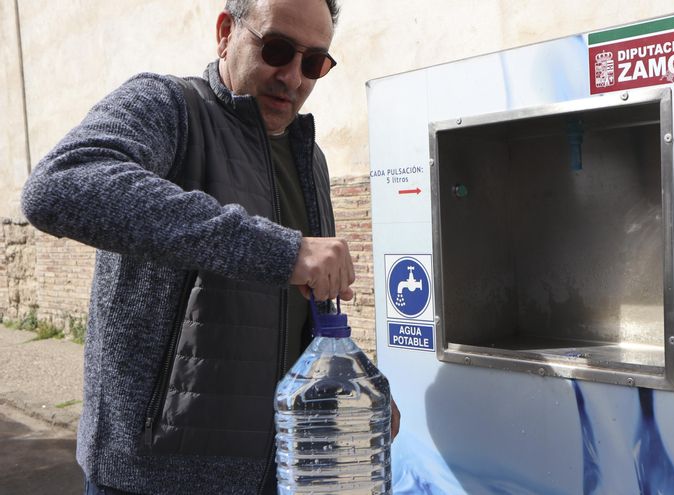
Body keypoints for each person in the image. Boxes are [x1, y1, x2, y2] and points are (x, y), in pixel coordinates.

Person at [21, 0, 398, 493]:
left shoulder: (311, 157)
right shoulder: (167, 105)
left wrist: (347, 382)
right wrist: (282, 252)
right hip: (155, 476)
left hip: (280, 467)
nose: (292, 77)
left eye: (313, 63)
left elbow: (303, 310)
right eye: (277, 49)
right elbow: (59, 186)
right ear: (225, 32)